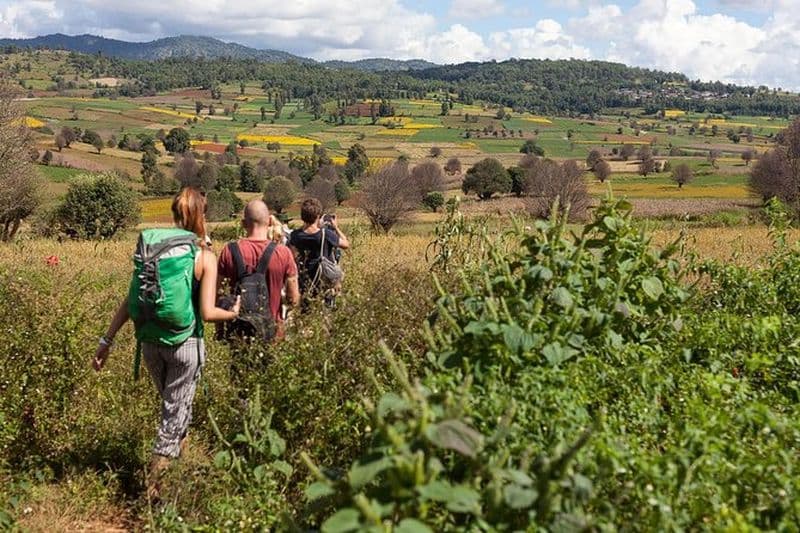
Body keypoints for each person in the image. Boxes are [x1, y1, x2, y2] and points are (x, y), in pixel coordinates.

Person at [91, 187, 241, 500]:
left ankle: (180, 473)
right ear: (202, 215)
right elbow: (208, 313)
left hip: (149, 343)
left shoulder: (152, 251)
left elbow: (129, 300)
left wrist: (107, 339)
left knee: (175, 407)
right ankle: (153, 488)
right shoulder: (203, 257)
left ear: (174, 214)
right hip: (185, 345)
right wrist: (234, 313)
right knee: (174, 414)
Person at [217, 199, 300, 342]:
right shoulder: (283, 253)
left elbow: (218, 295)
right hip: (273, 333)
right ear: (269, 222)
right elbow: (293, 299)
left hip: (238, 334)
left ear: (243, 224)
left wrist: (220, 330)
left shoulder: (229, 251)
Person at [288, 198, 350, 309]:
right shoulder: (325, 234)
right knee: (326, 311)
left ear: (302, 216)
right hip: (324, 280)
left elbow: (292, 258)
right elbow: (346, 244)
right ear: (318, 216)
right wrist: (336, 227)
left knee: (306, 312)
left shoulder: (294, 235)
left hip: (304, 282)